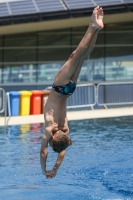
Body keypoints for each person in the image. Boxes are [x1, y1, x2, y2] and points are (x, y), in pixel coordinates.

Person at [40, 6, 104, 179]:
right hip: (59, 88)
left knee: (83, 56)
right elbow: (44, 152)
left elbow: (62, 150)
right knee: (75, 55)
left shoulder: (65, 131)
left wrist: (55, 169)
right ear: (53, 138)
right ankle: (93, 25)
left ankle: (97, 28)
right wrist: (45, 170)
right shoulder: (49, 128)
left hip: (69, 90)